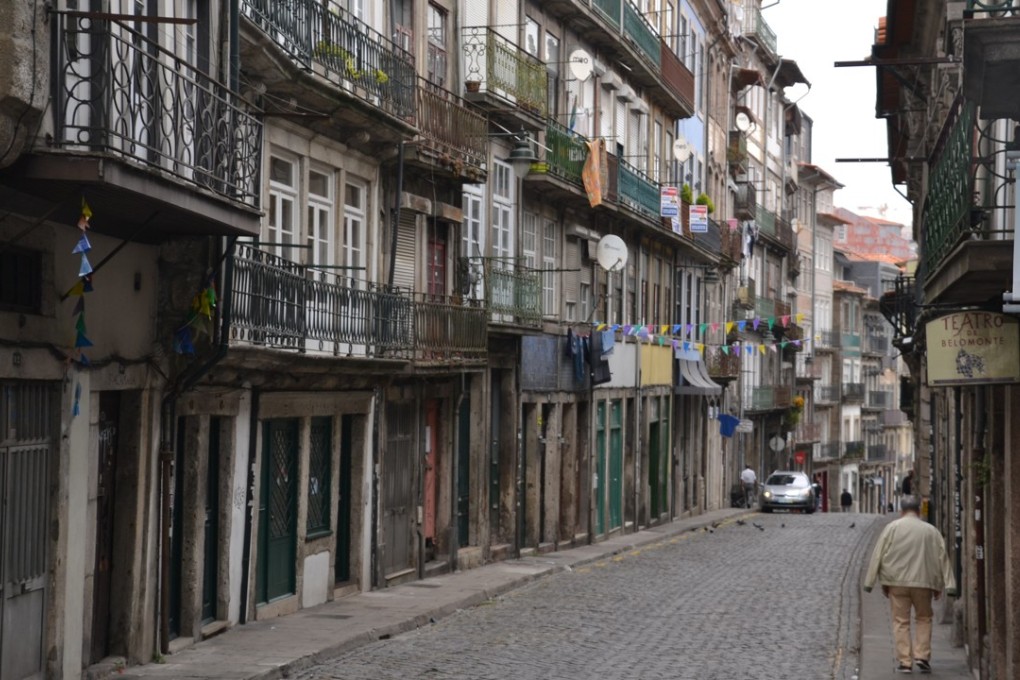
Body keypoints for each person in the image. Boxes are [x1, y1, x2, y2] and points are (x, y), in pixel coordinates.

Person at [864, 496, 957, 674]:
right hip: (924, 582)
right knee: (924, 618)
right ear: (919, 511)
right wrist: (946, 585)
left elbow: (877, 555)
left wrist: (870, 582)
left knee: (901, 621)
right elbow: (942, 557)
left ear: (901, 511)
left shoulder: (891, 528)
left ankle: (905, 661)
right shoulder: (931, 531)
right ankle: (922, 655)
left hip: (896, 582)